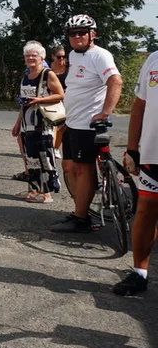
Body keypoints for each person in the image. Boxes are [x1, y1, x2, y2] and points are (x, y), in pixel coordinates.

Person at [50, 14, 123, 233]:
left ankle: (81, 218)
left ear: (93, 34)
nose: (77, 37)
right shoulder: (73, 54)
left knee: (83, 169)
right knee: (68, 166)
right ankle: (79, 209)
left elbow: (115, 81)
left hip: (87, 125)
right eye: (73, 34)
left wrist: (106, 112)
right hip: (73, 122)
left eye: (82, 32)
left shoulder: (100, 55)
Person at [114, 50, 158, 296]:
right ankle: (140, 273)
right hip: (152, 153)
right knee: (146, 211)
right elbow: (139, 106)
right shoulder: (153, 59)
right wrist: (132, 148)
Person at [10, 41, 64, 203]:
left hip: (42, 124)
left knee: (44, 157)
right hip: (28, 124)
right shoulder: (26, 76)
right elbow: (23, 102)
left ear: (42, 57)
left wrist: (41, 99)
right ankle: (33, 190)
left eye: (34, 55)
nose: (30, 58)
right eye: (27, 56)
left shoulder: (47, 74)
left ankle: (46, 194)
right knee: (31, 158)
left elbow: (60, 94)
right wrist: (18, 123)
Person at [49, 44, 69, 155]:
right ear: (53, 56)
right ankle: (51, 148)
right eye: (59, 57)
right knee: (54, 125)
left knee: (63, 126)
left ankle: (56, 148)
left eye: (63, 56)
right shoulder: (48, 68)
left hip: (67, 98)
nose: (61, 59)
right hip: (53, 98)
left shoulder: (69, 67)